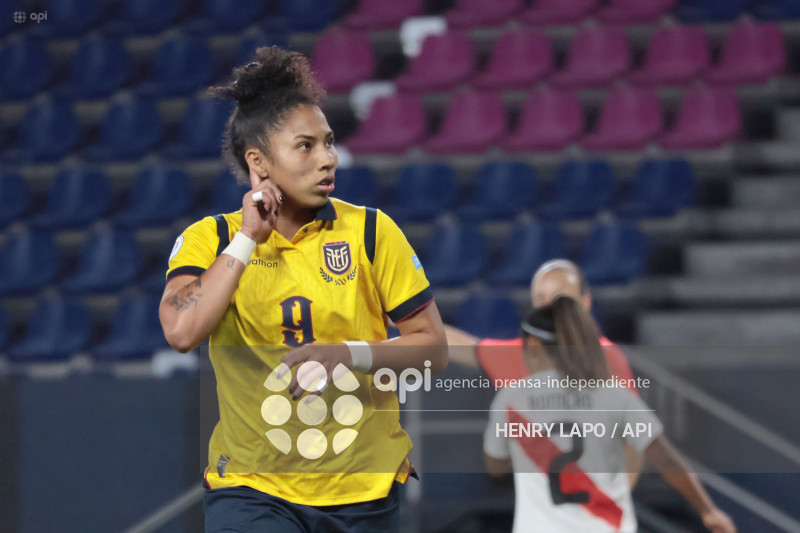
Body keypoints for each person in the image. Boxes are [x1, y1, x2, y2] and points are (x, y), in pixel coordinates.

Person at [159, 46, 447, 533]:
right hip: (251, 489)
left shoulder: (373, 232)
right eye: (306, 146)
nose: (328, 159)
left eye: (329, 143)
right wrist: (249, 238)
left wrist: (349, 354)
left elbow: (432, 351)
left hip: (364, 490)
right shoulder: (210, 238)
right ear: (259, 161)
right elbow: (183, 330)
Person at [482, 296, 736, 533]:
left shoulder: (511, 399)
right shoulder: (612, 394)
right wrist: (708, 510)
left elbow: (495, 466)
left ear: (535, 345)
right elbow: (666, 458)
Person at [445, 259, 636, 391]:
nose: (549, 307)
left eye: (560, 298)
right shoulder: (519, 354)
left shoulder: (607, 358)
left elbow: (634, 438)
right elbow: (462, 346)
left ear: (585, 302)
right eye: (540, 299)